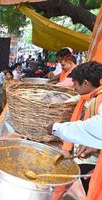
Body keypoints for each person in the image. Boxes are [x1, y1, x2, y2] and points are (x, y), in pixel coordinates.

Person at [48, 61, 102, 199]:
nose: (73, 87)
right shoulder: (88, 97)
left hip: (92, 164)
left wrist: (55, 128)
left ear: (85, 83)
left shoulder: (99, 101)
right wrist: (93, 147)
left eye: (75, 84)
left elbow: (88, 128)